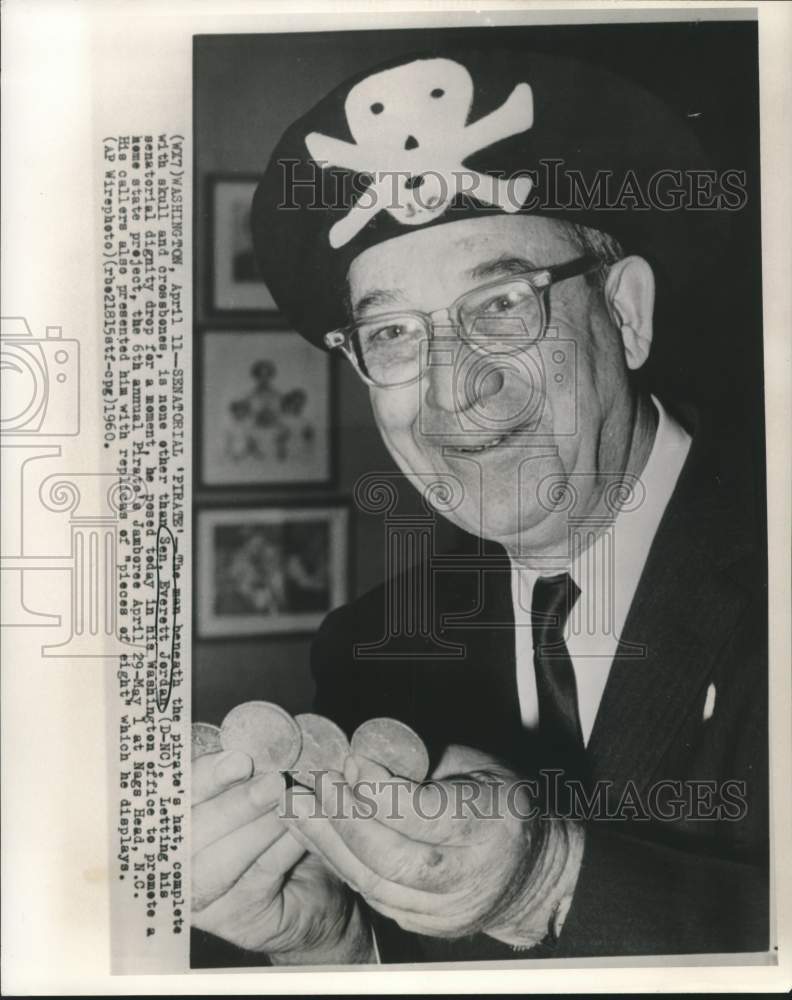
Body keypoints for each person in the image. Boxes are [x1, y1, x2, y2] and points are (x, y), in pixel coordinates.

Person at [191, 45, 767, 965]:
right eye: (392, 334)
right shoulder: (373, 654)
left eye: (501, 305)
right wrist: (332, 945)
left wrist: (551, 883)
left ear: (625, 313)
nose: (454, 391)